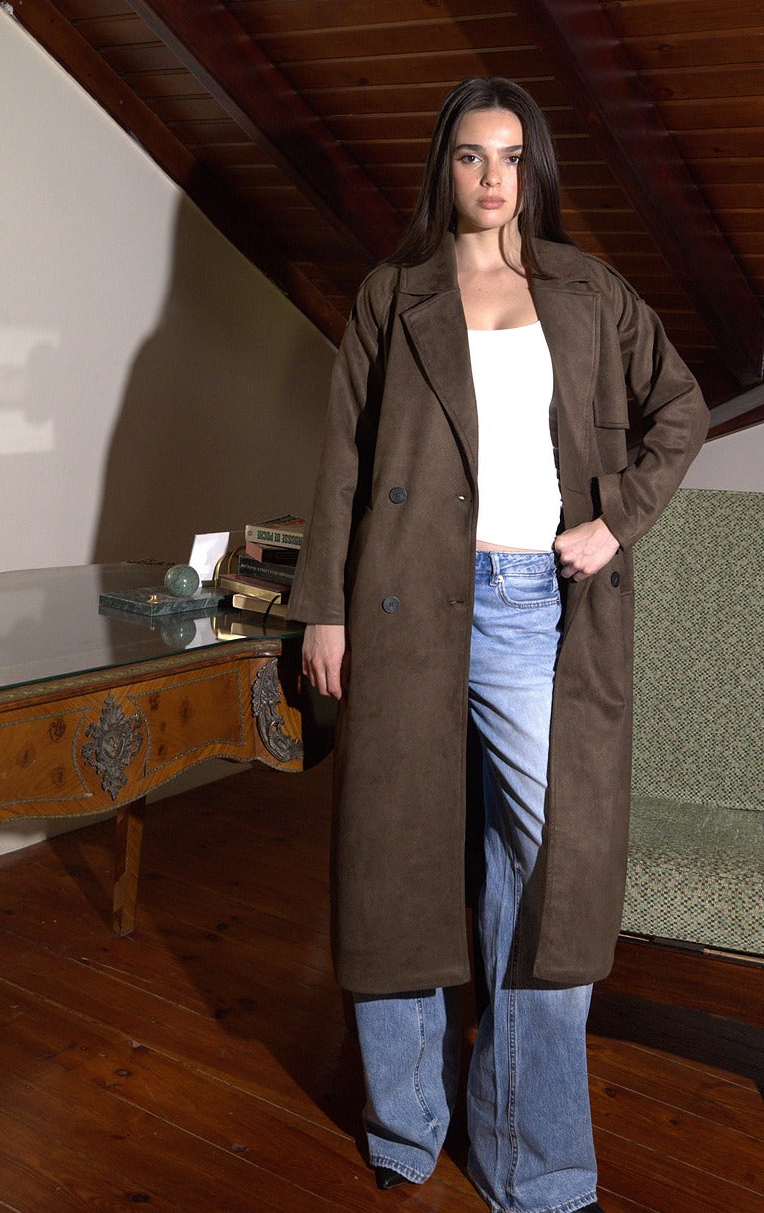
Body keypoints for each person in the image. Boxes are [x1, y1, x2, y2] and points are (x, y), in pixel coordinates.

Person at [289, 77, 710, 1213]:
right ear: (445, 167)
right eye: (472, 155)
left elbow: (682, 408)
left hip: (536, 612)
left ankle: (534, 1159)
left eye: (512, 156)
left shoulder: (587, 289)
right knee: (396, 862)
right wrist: (323, 607)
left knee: (552, 870)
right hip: (404, 607)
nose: (491, 177)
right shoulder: (393, 295)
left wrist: (615, 518)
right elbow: (342, 457)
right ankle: (406, 1122)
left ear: (536, 168)